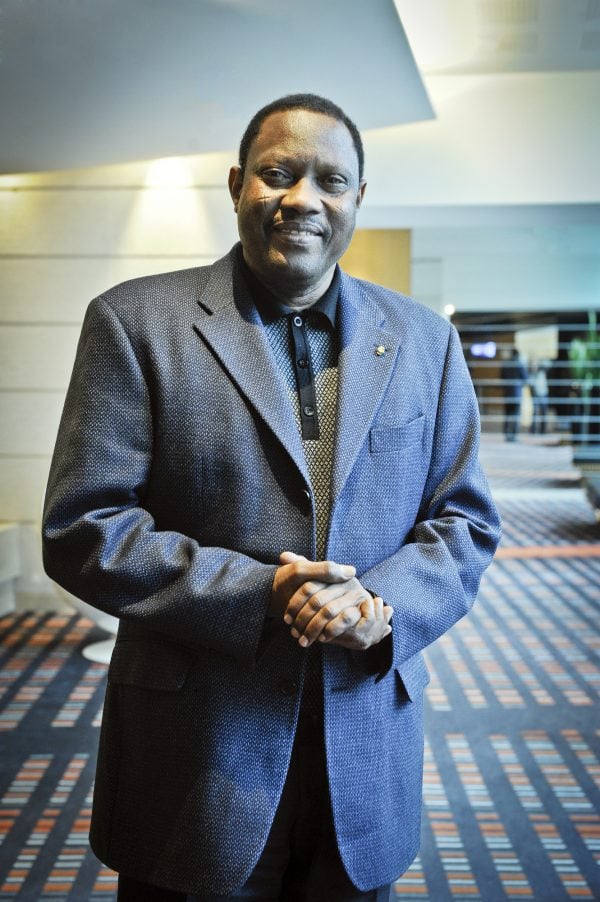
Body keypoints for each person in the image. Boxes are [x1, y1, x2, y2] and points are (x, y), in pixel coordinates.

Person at [42, 94, 500, 901]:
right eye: (278, 174)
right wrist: (262, 596)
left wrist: (381, 603)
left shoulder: (426, 340)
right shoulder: (135, 322)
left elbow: (464, 522)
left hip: (363, 748)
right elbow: (85, 526)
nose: (302, 199)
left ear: (359, 198)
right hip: (197, 753)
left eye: (331, 180)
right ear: (236, 184)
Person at [500, 347, 528, 441]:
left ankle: (507, 434)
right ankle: (514, 435)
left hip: (507, 392)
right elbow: (525, 378)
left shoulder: (506, 364)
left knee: (507, 414)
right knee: (516, 415)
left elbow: (502, 376)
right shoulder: (519, 364)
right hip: (516, 393)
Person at [528, 361, 549, 435]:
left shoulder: (542, 372)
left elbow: (548, 364)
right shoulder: (530, 375)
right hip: (535, 395)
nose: (534, 367)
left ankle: (543, 430)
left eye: (535, 365)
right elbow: (530, 385)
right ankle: (533, 429)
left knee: (543, 412)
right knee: (535, 412)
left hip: (543, 394)